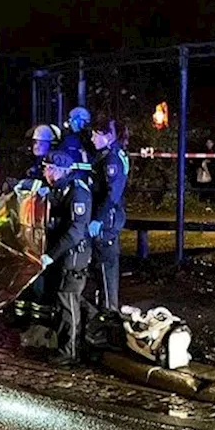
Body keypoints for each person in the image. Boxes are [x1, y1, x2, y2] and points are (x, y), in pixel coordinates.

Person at [40, 150, 92, 365]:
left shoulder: (77, 192)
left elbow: (75, 231)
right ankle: (78, 343)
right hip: (66, 253)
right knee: (68, 300)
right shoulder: (61, 188)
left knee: (67, 300)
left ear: (56, 170)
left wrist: (50, 256)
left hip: (74, 255)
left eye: (46, 168)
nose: (44, 172)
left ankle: (68, 352)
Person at [89, 119, 129, 311]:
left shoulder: (111, 158)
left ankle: (109, 315)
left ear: (109, 136)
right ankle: (105, 310)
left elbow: (112, 193)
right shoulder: (110, 154)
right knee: (102, 267)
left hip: (107, 220)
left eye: (96, 134)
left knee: (106, 267)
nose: (92, 138)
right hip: (108, 217)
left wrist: (98, 218)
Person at [17, 124, 60, 190]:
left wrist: (22, 183)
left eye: (41, 143)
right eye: (35, 142)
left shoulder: (53, 164)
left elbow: (47, 187)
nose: (37, 146)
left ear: (51, 145)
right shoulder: (38, 160)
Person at [59, 107, 93, 176]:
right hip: (73, 176)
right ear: (76, 120)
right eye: (84, 121)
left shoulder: (83, 138)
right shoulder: (70, 139)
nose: (84, 125)